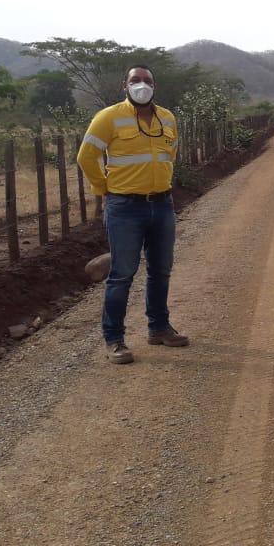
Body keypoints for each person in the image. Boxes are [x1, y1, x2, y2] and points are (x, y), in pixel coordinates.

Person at [76, 65, 188, 364]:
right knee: (122, 275)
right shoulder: (108, 117)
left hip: (162, 205)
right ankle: (114, 339)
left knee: (161, 270)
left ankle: (159, 328)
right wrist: (103, 188)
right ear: (124, 86)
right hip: (124, 207)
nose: (142, 85)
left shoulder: (167, 118)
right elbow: (86, 156)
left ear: (155, 85)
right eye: (135, 80)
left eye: (147, 81)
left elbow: (171, 154)